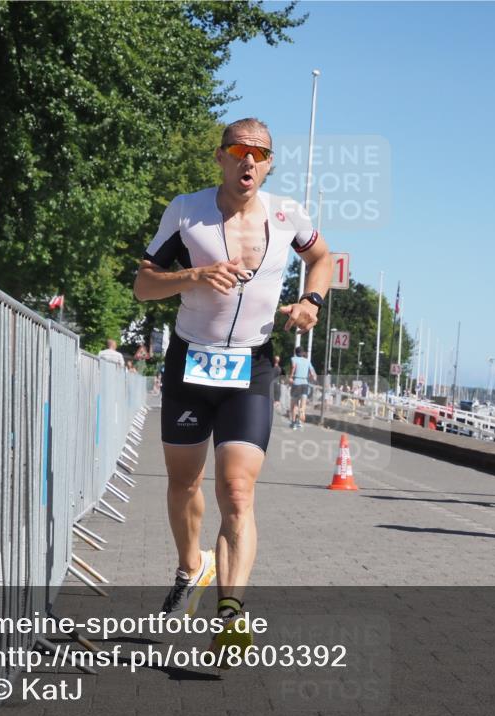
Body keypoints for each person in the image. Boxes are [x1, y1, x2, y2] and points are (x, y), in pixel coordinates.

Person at [133, 117, 332, 649]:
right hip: (189, 362)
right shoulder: (186, 210)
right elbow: (143, 286)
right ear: (220, 156)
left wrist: (311, 301)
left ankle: (231, 615)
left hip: (252, 366)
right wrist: (193, 275)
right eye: (238, 150)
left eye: (260, 154)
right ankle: (187, 567)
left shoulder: (288, 215)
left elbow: (321, 258)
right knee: (184, 484)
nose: (249, 160)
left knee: (238, 492)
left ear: (268, 165)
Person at [288, 346, 316, 429]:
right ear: (303, 353)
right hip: (305, 383)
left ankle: (293, 423)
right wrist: (312, 378)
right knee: (303, 404)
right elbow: (312, 372)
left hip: (297, 382)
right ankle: (299, 421)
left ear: (295, 352)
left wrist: (290, 377)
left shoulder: (293, 359)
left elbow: (293, 367)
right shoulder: (307, 361)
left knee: (294, 404)